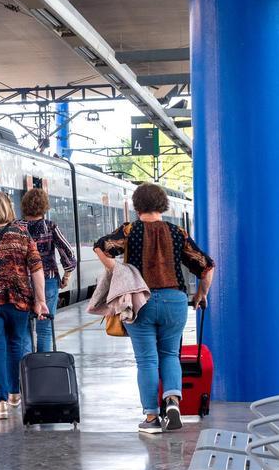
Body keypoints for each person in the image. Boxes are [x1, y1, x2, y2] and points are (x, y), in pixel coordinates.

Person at [94, 182, 215, 434]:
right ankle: (172, 402)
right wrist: (201, 294)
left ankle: (151, 418)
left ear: (137, 206)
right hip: (175, 300)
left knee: (147, 360)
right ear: (163, 204)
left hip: (141, 301)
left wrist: (117, 271)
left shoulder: (129, 230)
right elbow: (207, 266)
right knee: (170, 355)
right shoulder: (177, 232)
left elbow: (101, 246)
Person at [0, 189, 49, 421]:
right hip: (19, 299)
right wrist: (41, 301)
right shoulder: (21, 232)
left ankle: (1, 402)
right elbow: (36, 268)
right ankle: (15, 393)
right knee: (16, 343)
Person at [19, 188, 77, 351]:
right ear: (45, 207)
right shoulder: (50, 227)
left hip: (22, 283)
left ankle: (26, 371)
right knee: (44, 330)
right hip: (48, 281)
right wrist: (66, 275)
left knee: (24, 330)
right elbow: (68, 252)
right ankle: (42, 370)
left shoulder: (17, 227)